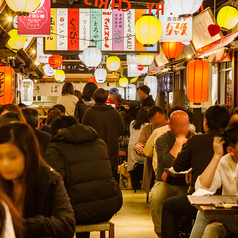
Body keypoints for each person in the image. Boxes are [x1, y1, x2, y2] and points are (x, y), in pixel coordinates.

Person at [45, 116, 123, 238]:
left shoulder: (55, 148)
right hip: (107, 207)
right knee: (83, 197)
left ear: (59, 132)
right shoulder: (99, 143)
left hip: (76, 213)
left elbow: (54, 183)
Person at [161, 105, 230, 238]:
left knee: (169, 206)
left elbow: (178, 166)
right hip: (228, 200)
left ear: (205, 122)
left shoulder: (197, 140)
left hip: (201, 199)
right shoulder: (231, 143)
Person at [0, 122, 75, 238]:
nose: (5, 164)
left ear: (28, 155)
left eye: (13, 157)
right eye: (0, 157)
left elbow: (66, 224)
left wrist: (20, 225)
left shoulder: (49, 179)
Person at [149, 110, 194, 237]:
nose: (183, 129)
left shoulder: (194, 138)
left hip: (186, 183)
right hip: (165, 182)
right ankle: (161, 233)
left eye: (186, 125)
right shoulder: (161, 139)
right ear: (169, 125)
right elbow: (168, 162)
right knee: (156, 198)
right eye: (179, 126)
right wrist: (178, 143)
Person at [190, 124, 238, 238]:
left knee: (205, 215)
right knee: (211, 231)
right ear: (230, 150)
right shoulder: (225, 162)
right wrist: (216, 155)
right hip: (232, 217)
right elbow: (202, 188)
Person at [83, 88, 125, 180]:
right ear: (106, 98)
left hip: (93, 149)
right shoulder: (114, 112)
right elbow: (122, 129)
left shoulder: (89, 112)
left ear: (94, 98)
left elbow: (84, 131)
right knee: (110, 176)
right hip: (111, 149)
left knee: (95, 176)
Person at [142, 106, 185, 195]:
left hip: (179, 178)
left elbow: (147, 152)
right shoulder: (159, 136)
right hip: (171, 178)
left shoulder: (158, 132)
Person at [128, 107, 149, 172]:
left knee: (134, 175)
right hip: (141, 152)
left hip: (131, 152)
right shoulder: (148, 126)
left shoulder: (132, 123)